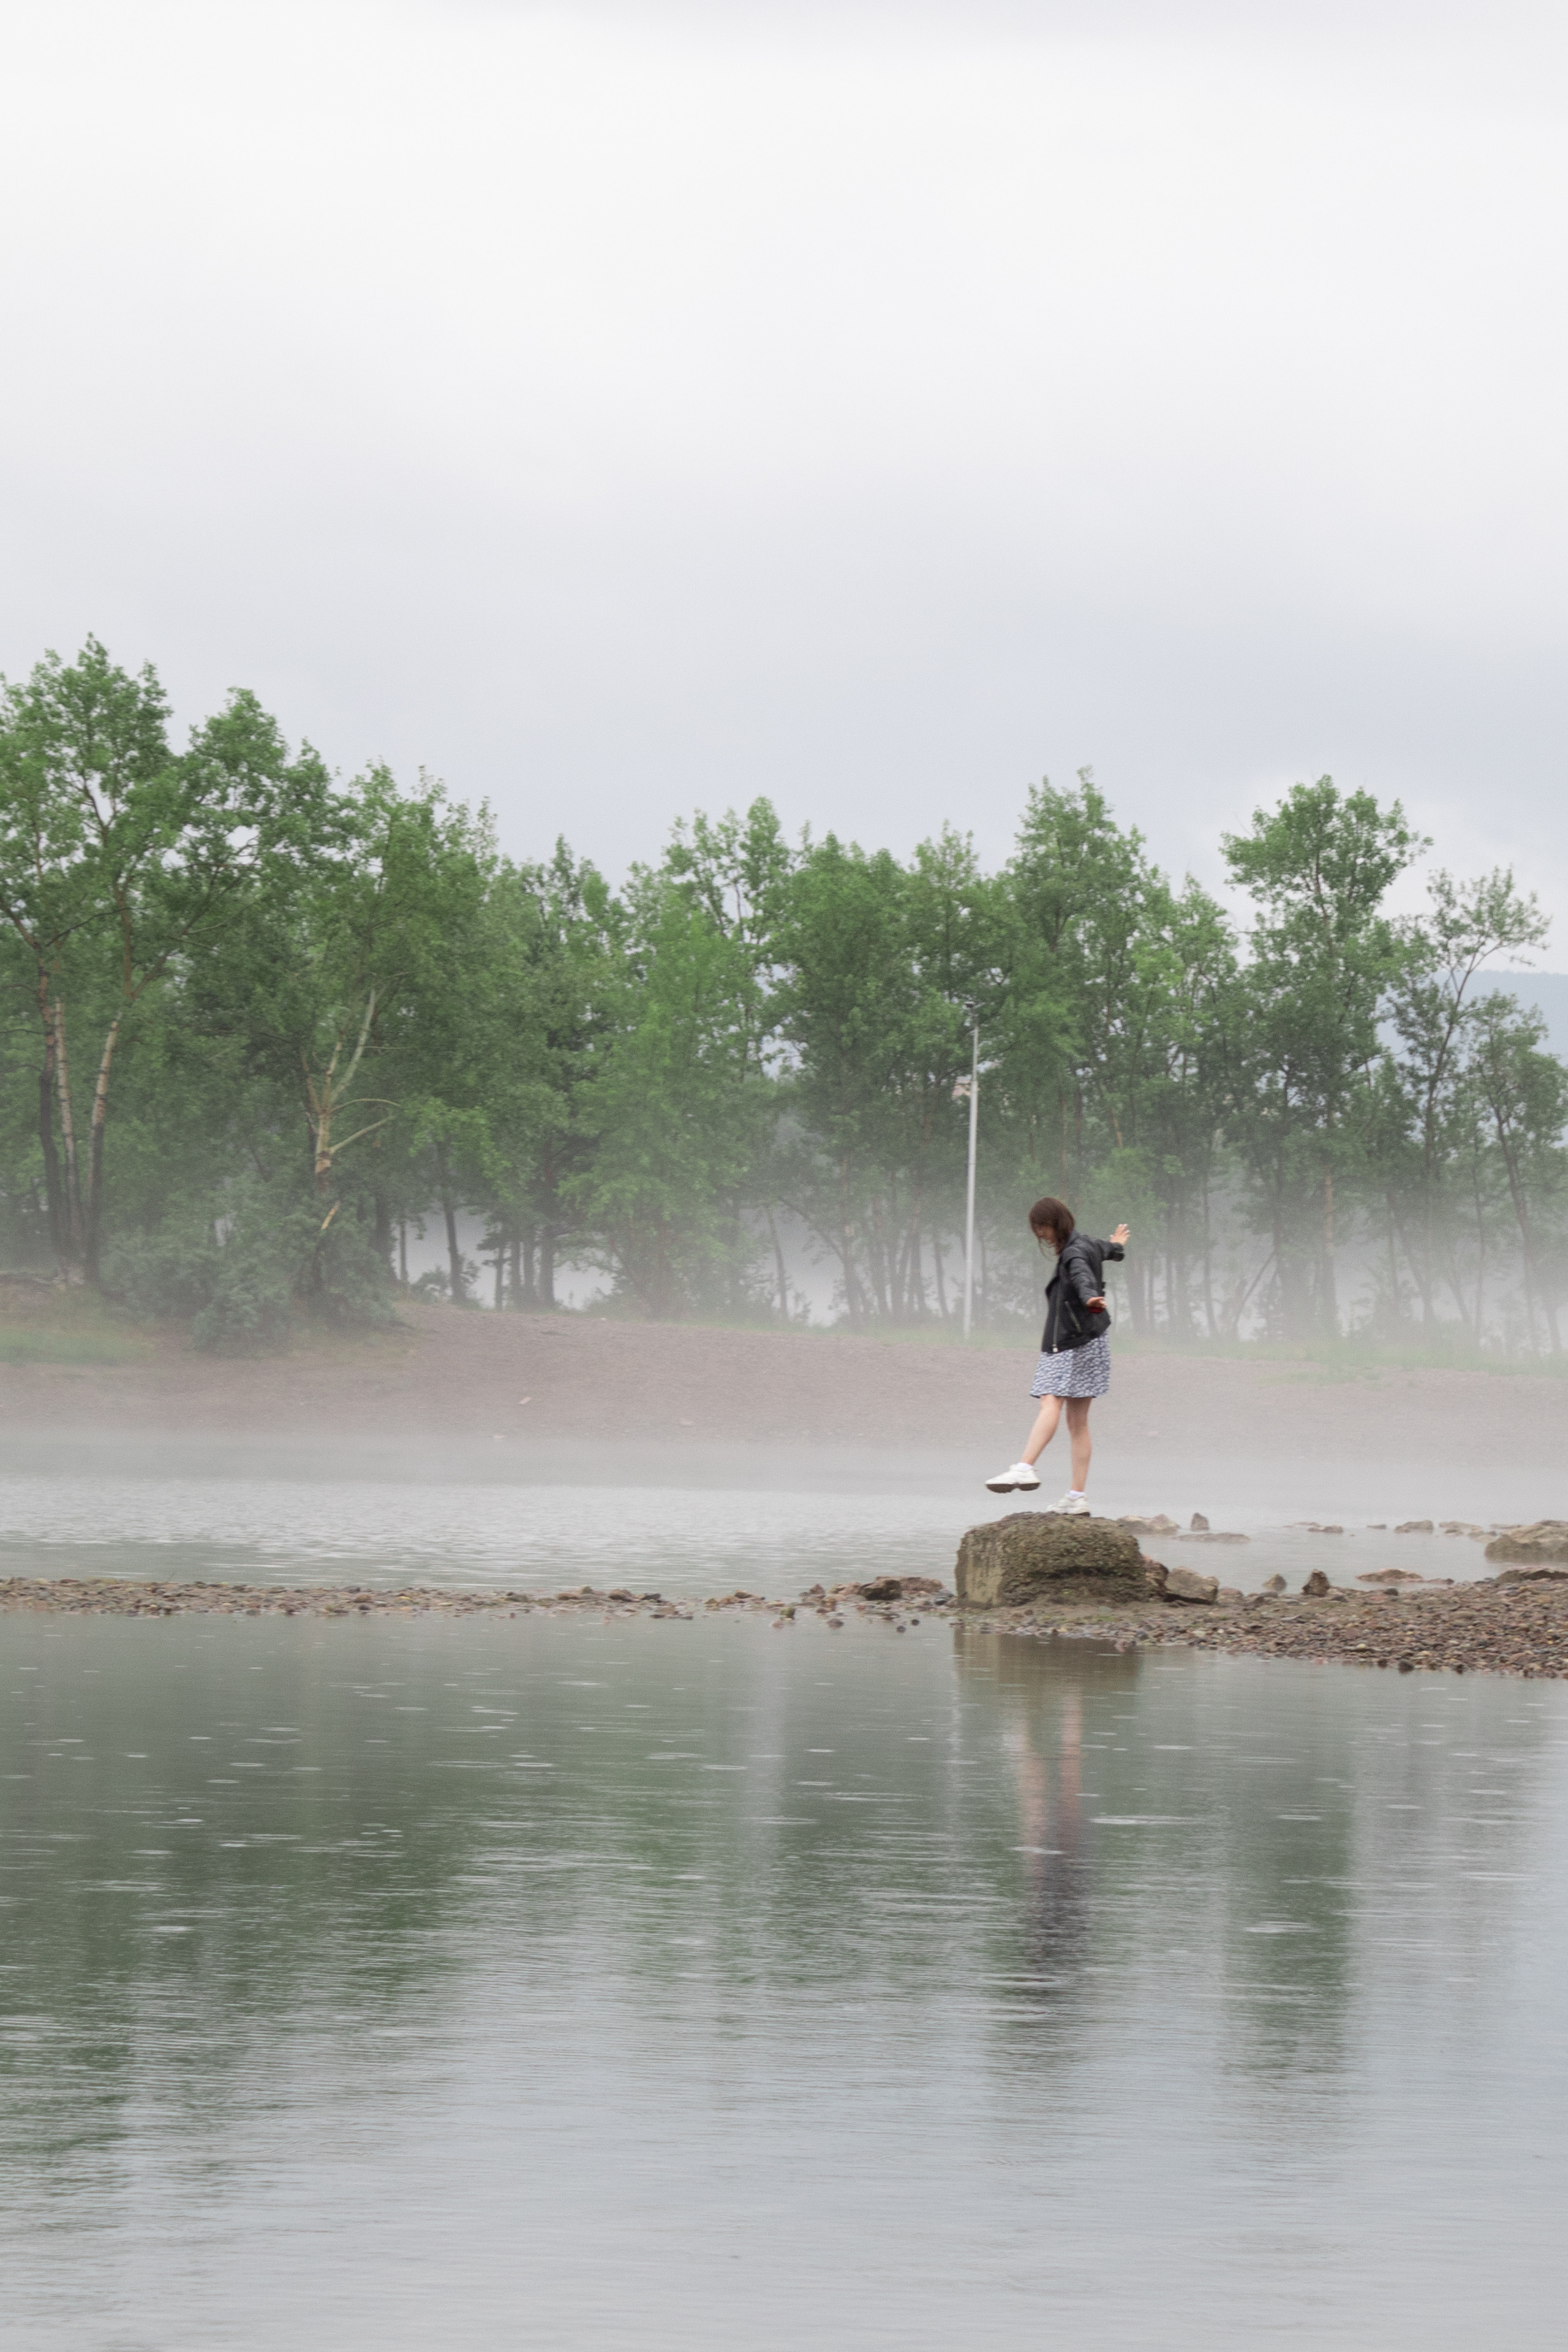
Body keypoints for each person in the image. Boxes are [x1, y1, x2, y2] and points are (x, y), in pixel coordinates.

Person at [985, 1197, 1130, 1511]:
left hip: (1069, 1342)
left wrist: (1091, 1296)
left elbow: (1083, 1278)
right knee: (1078, 1423)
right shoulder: (1087, 1243)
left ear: (1055, 1222)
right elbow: (1108, 1250)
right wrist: (1117, 1246)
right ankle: (1077, 1498)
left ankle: (1024, 1467)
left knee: (1050, 1400)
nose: (1040, 1234)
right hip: (1092, 1339)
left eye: (1042, 1227)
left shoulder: (1074, 1252)